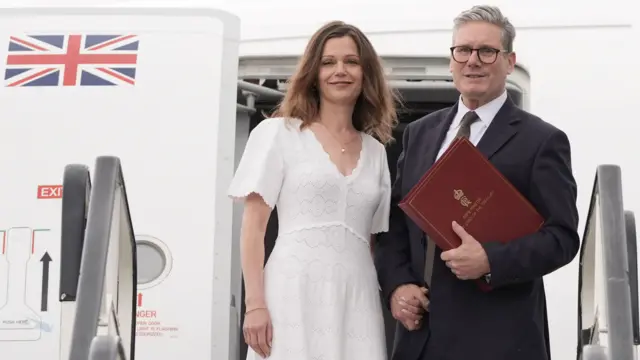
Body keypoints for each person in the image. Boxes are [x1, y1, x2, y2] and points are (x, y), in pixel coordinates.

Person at [374, 5, 580, 360]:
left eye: (487, 51)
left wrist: (490, 260)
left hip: (499, 337)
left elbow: (562, 238)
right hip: (421, 338)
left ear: (510, 61)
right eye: (464, 51)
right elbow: (394, 222)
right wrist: (397, 286)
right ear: (451, 60)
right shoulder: (420, 134)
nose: (473, 61)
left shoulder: (542, 140)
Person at [228, 20, 398, 360]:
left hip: (357, 298)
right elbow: (254, 227)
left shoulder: (377, 152)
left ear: (366, 73)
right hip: (291, 291)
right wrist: (255, 304)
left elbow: (372, 243)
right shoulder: (278, 133)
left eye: (351, 61)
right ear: (313, 72)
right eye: (328, 62)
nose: (340, 71)